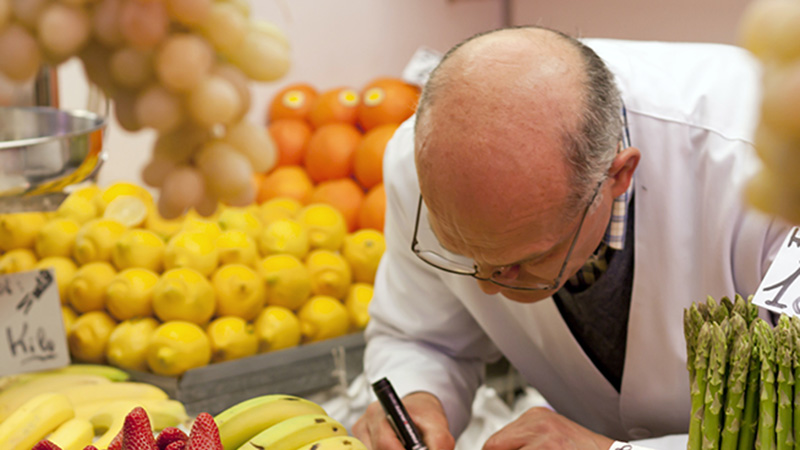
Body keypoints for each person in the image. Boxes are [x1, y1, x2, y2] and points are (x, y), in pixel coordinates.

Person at [350, 26, 793, 449]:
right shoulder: (426, 161)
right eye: (461, 253)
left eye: (528, 258)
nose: (486, 286)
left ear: (618, 175)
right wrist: (419, 398)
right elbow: (423, 337)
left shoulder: (775, 171)